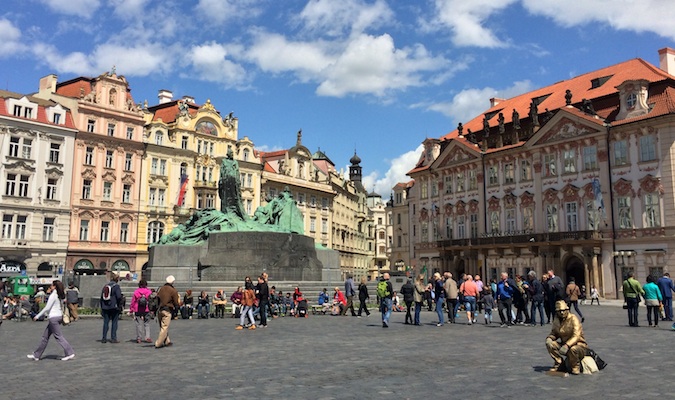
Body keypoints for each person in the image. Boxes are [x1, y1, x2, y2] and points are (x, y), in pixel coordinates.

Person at [28, 280, 75, 361]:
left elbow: (47, 308)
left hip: (54, 318)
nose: (50, 287)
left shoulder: (53, 295)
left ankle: (70, 352)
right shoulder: (59, 294)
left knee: (58, 337)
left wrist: (37, 316)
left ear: (54, 287)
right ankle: (37, 355)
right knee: (45, 337)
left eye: (51, 286)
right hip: (58, 316)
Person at [545, 301, 588, 375]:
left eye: (563, 310)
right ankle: (559, 363)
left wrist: (567, 345)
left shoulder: (573, 318)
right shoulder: (557, 319)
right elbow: (555, 333)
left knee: (573, 349)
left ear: (567, 310)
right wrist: (550, 338)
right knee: (550, 344)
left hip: (578, 345)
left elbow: (576, 336)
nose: (562, 313)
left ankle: (575, 366)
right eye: (560, 311)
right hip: (564, 345)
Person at [155, 275, 180, 348]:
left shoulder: (161, 288)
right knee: (165, 327)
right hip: (167, 310)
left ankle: (167, 341)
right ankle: (158, 343)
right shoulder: (173, 290)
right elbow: (176, 302)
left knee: (162, 326)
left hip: (160, 309)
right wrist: (176, 308)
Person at [100, 273, 123, 343]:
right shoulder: (116, 287)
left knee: (106, 322)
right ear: (117, 280)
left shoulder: (105, 286)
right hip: (114, 307)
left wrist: (102, 306)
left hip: (105, 307)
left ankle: (104, 338)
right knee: (114, 322)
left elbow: (101, 297)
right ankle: (113, 338)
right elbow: (119, 296)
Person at [130, 279, 152, 343]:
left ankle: (139, 337)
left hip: (138, 309)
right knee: (147, 323)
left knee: (139, 324)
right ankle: (147, 337)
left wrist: (131, 309)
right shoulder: (149, 292)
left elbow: (133, 301)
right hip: (146, 309)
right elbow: (151, 301)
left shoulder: (136, 292)